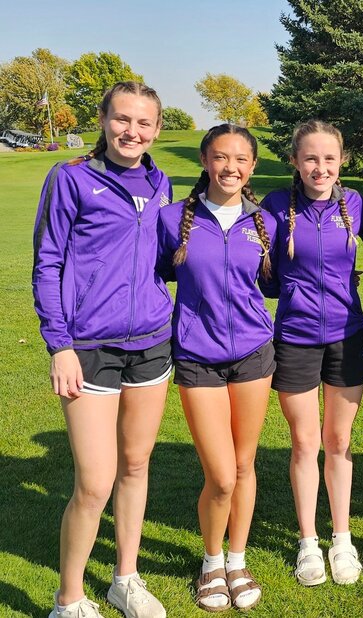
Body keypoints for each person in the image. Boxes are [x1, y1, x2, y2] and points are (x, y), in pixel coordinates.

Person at [33, 81, 171, 618]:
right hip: (88, 346)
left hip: (152, 343)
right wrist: (59, 343)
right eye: (122, 119)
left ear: (156, 129)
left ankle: (125, 579)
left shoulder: (161, 182)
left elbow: (161, 257)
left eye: (143, 122)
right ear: (103, 118)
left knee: (135, 465)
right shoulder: (71, 178)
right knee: (94, 482)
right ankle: (68, 598)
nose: (131, 131)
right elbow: (47, 264)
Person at [157, 124, 275, 611]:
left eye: (241, 159)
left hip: (254, 354)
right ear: (205, 160)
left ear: (251, 166)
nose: (231, 167)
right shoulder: (171, 220)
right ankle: (210, 560)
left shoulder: (265, 221)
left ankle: (237, 558)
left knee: (245, 465)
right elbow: (152, 278)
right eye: (221, 157)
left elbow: (279, 281)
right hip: (196, 356)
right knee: (221, 475)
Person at [260, 120, 363, 586]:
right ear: (295, 161)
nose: (319, 167)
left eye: (329, 158)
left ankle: (342, 539)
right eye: (310, 158)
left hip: (347, 336)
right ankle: (309, 542)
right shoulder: (273, 206)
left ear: (341, 160)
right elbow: (259, 271)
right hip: (296, 337)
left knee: (340, 442)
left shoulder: (355, 204)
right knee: (306, 442)